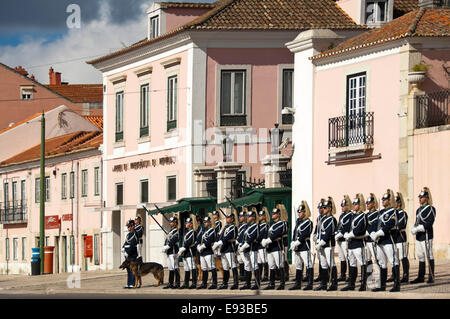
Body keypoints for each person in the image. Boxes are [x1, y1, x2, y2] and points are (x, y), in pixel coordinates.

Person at [370, 189, 400, 292]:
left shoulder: (394, 211)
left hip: (388, 239)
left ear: (390, 200)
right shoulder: (381, 212)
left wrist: (380, 232)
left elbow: (391, 223)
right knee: (382, 263)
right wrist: (373, 232)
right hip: (380, 241)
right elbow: (375, 224)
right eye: (382, 199)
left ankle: (397, 285)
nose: (382, 201)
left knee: (393, 261)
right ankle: (382, 285)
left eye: (385, 199)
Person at [342, 194, 368, 291]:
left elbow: (358, 229)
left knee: (362, 263)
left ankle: (363, 284)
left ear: (360, 205)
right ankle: (351, 284)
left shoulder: (363, 216)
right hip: (351, 243)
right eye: (353, 203)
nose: (353, 205)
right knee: (352, 263)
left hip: (358, 242)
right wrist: (344, 233)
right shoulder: (352, 215)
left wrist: (350, 234)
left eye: (355, 204)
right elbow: (346, 226)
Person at [410, 187, 436, 284]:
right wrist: (414, 228)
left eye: (422, 197)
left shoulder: (431, 209)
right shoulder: (418, 210)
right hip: (419, 237)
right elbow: (417, 221)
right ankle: (421, 276)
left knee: (429, 255)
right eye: (419, 197)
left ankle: (431, 276)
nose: (420, 199)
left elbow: (429, 223)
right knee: (420, 256)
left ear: (427, 198)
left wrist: (419, 228)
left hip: (426, 235)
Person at [314, 197, 338, 291]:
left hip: (328, 244)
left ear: (329, 208)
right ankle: (323, 283)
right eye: (323, 208)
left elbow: (328, 233)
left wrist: (321, 242)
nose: (322, 209)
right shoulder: (322, 219)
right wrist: (316, 237)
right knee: (323, 264)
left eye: (325, 208)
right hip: (321, 244)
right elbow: (318, 230)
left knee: (331, 264)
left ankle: (334, 284)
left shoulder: (332, 219)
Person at [290, 201, 313, 290]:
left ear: (305, 212)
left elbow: (304, 234)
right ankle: (298, 283)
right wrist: (293, 242)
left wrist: (297, 242)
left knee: (308, 264)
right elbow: (295, 232)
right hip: (297, 247)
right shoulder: (298, 222)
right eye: (298, 212)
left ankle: (310, 284)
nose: (299, 213)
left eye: (300, 212)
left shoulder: (308, 222)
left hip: (304, 246)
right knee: (298, 265)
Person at [213, 210, 239, 290]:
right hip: (224, 248)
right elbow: (220, 236)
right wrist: (216, 242)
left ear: (232, 219)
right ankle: (225, 283)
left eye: (229, 218)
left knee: (233, 265)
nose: (227, 219)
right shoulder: (226, 227)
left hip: (230, 248)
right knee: (225, 267)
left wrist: (220, 242)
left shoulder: (233, 227)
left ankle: (235, 283)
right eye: (227, 218)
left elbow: (229, 236)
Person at [262, 208, 286, 290]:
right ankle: (271, 284)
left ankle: (282, 284)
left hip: (277, 247)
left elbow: (277, 233)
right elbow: (266, 233)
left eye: (275, 214)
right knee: (271, 266)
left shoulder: (281, 224)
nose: (272, 215)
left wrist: (269, 239)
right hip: (270, 248)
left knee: (280, 265)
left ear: (279, 215)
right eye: (272, 213)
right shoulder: (270, 224)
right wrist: (263, 239)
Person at [239, 209, 260, 290]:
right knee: (247, 265)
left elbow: (251, 237)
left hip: (252, 248)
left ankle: (257, 283)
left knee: (254, 265)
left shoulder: (255, 226)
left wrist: (245, 245)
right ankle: (247, 283)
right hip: (246, 249)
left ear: (254, 218)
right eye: (247, 216)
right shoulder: (246, 226)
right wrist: (241, 244)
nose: (247, 218)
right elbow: (242, 236)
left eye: (249, 216)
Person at [391, 192, 410, 284]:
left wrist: (392, 228)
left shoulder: (402, 213)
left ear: (399, 203)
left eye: (396, 202)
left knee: (403, 256)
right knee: (394, 257)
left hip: (400, 237)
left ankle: (406, 275)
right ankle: (394, 275)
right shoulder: (393, 213)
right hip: (393, 238)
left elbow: (400, 224)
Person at [197, 216, 218, 289]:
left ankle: (214, 283)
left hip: (208, 251)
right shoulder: (203, 231)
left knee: (212, 267)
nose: (204, 223)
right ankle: (204, 283)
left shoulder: (212, 230)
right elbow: (199, 239)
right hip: (202, 252)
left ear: (209, 222)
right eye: (204, 222)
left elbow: (210, 240)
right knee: (203, 268)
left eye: (206, 222)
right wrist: (198, 245)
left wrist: (203, 246)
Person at [335, 195, 352, 282]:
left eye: (343, 205)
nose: (342, 207)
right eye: (341, 205)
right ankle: (342, 274)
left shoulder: (350, 215)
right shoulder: (341, 216)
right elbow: (339, 226)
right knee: (342, 257)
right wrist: (336, 233)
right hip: (339, 239)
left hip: (345, 239)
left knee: (347, 257)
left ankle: (350, 275)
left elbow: (347, 226)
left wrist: (340, 234)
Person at [178, 214, 197, 289]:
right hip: (185, 253)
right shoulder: (186, 232)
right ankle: (186, 283)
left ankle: (194, 283)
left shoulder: (193, 232)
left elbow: (189, 242)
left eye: (187, 223)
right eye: (186, 223)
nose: (186, 224)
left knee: (192, 267)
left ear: (191, 224)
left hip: (190, 252)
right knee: (186, 268)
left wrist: (183, 248)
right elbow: (183, 241)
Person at [364, 193, 379, 284]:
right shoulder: (367, 215)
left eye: (369, 203)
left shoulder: (377, 214)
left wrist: (369, 232)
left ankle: (377, 278)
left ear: (373, 204)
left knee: (375, 259)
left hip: (373, 239)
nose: (367, 205)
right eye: (367, 203)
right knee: (368, 259)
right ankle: (369, 277)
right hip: (366, 240)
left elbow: (375, 225)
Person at [162, 216, 180, 289]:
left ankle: (177, 283)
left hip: (173, 251)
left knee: (175, 267)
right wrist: (165, 246)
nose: (170, 223)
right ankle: (170, 283)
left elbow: (174, 239)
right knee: (170, 268)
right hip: (169, 251)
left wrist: (168, 246)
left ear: (175, 223)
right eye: (170, 222)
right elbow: (167, 240)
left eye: (172, 222)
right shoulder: (170, 231)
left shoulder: (176, 231)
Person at [122, 219, 138, 288]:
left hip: (132, 255)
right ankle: (129, 283)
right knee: (128, 270)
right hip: (127, 255)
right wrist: (123, 248)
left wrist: (127, 252)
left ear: (133, 226)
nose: (128, 228)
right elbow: (126, 242)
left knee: (132, 270)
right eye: (128, 226)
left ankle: (133, 283)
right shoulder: (128, 234)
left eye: (129, 226)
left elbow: (132, 244)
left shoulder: (135, 234)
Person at [313, 199, 326, 282]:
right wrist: (314, 235)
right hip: (318, 239)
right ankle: (321, 275)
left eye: (321, 208)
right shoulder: (319, 218)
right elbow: (317, 228)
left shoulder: (326, 218)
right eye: (319, 208)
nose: (319, 209)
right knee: (320, 258)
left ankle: (326, 275)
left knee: (325, 259)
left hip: (323, 240)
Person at [257, 208, 270, 282]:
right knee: (259, 261)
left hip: (262, 244)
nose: (259, 217)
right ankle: (259, 275)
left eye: (261, 215)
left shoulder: (266, 225)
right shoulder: (259, 225)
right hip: (258, 245)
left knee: (264, 260)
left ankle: (265, 275)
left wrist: (258, 239)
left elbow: (264, 234)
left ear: (264, 217)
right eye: (259, 215)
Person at [236, 209, 248, 282]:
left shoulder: (245, 226)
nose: (240, 218)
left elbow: (242, 235)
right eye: (239, 216)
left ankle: (246, 276)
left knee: (245, 261)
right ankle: (242, 274)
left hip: (242, 244)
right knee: (240, 260)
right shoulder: (239, 226)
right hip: (238, 245)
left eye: (241, 216)